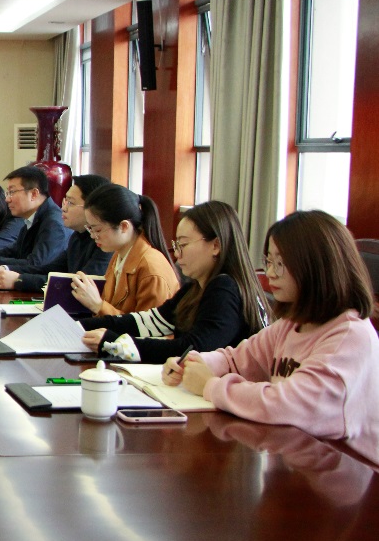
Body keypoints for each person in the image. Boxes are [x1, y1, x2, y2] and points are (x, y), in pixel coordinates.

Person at [166, 210, 379, 464]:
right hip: (297, 460)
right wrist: (194, 363)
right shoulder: (291, 325)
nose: (270, 273)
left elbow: (290, 405)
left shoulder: (350, 336)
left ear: (318, 267)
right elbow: (237, 359)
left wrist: (210, 385)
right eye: (268, 261)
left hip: (350, 472)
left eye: (281, 264)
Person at [80, 201, 270, 362]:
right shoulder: (195, 288)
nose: (177, 254)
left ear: (216, 245)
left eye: (183, 244)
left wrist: (116, 344)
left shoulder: (225, 289)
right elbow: (150, 321)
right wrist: (80, 326)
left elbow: (193, 349)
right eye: (176, 245)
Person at [69, 183, 179, 316]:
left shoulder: (151, 270)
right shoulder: (119, 254)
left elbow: (146, 327)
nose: (92, 236)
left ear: (124, 226)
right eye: (90, 228)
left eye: (97, 230)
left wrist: (98, 306)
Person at [0, 174, 112, 292]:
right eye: (65, 201)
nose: (63, 208)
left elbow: (80, 286)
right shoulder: (77, 236)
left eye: (70, 203)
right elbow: (50, 270)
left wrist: (19, 280)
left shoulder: (105, 244)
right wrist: (5, 269)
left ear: (92, 208)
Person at [0, 166, 70, 272]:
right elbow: (14, 251)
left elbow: (36, 264)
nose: (7, 199)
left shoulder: (53, 224)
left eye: (12, 192)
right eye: (8, 193)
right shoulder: (33, 217)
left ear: (34, 194)